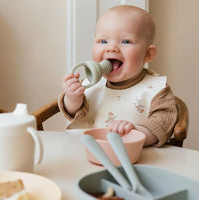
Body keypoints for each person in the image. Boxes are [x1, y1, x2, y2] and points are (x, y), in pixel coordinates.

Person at [58, 5, 177, 147]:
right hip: (88, 151)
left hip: (134, 158)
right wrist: (72, 98)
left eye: (125, 41)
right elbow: (74, 112)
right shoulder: (90, 83)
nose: (111, 48)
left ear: (147, 54)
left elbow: (163, 122)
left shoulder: (157, 90)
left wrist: (137, 132)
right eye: (103, 41)